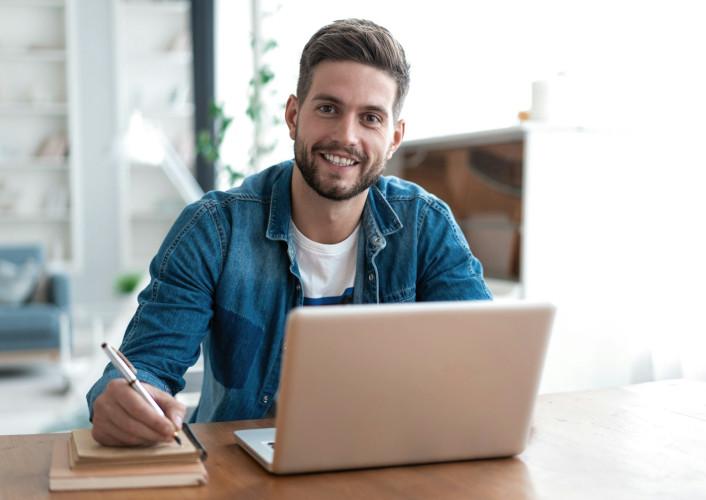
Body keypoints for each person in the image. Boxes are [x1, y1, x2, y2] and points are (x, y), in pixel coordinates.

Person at [87, 18, 491, 446]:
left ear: (394, 138)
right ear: (294, 116)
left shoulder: (426, 226)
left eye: (370, 118)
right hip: (244, 470)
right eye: (328, 108)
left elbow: (486, 361)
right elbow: (144, 365)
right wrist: (122, 400)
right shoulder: (214, 229)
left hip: (386, 456)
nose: (345, 136)